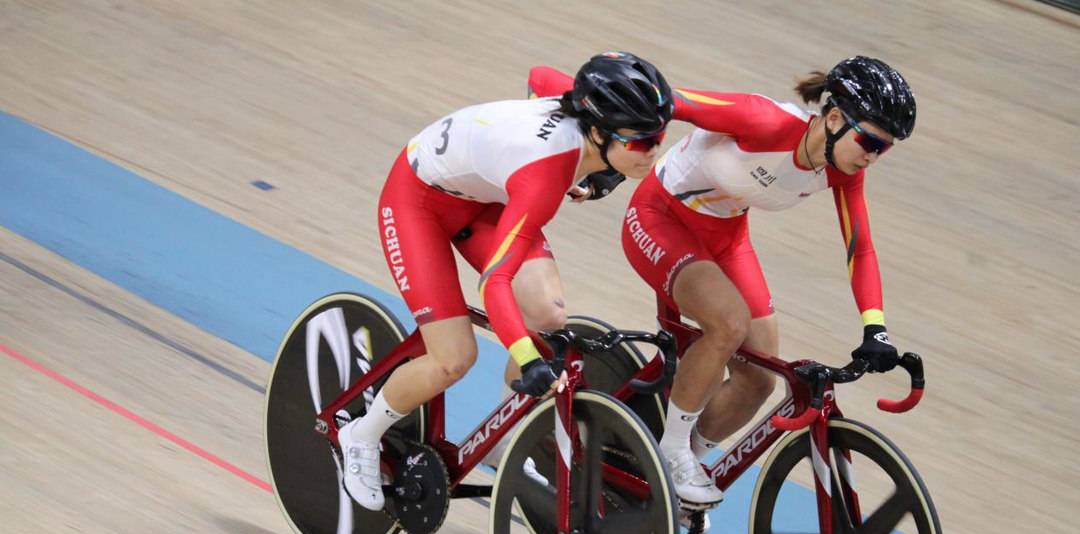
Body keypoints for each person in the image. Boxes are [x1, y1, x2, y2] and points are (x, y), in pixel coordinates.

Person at [527, 56, 916, 508]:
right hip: (659, 218)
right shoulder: (760, 119)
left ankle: (677, 474)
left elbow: (860, 248)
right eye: (868, 139)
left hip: (727, 239)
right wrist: (598, 157)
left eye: (883, 148)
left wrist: (876, 327)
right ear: (832, 118)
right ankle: (672, 453)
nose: (871, 154)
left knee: (761, 375)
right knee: (728, 324)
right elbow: (656, 102)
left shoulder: (844, 171)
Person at [338, 52, 674, 510]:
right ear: (597, 131)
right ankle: (360, 434)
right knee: (453, 358)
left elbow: (540, 76)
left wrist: (606, 174)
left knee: (548, 314)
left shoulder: (580, 100)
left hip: (487, 197)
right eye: (639, 143)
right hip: (418, 204)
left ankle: (501, 436)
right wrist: (526, 359)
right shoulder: (544, 175)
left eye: (659, 136)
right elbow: (495, 283)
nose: (654, 151)